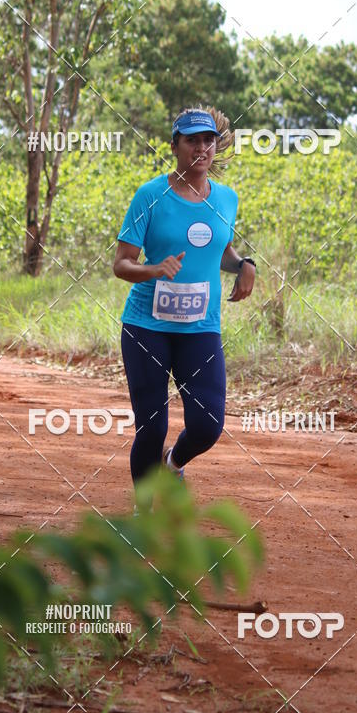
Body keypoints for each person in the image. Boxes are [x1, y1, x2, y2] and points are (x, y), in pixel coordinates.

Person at [113, 106, 255, 497]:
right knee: (152, 425)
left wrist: (244, 264)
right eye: (192, 140)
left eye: (208, 140)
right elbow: (122, 264)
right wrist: (155, 269)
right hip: (147, 326)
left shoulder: (226, 199)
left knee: (208, 424)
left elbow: (220, 252)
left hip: (200, 328)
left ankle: (172, 463)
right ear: (174, 145)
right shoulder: (151, 195)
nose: (202, 147)